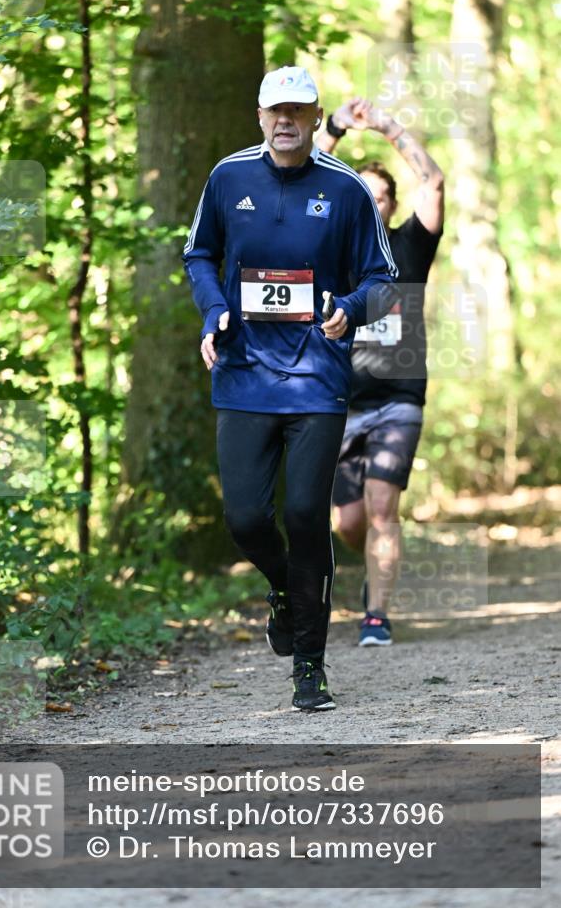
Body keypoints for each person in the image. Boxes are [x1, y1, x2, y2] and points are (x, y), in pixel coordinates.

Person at [182, 69, 398, 711]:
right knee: (247, 518)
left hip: (316, 379)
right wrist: (214, 308)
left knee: (306, 516)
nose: (286, 121)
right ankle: (285, 588)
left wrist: (353, 309)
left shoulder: (347, 189)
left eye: (298, 112)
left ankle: (310, 665)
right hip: (244, 373)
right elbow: (198, 255)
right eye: (276, 111)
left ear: (315, 117)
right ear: (259, 115)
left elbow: (384, 279)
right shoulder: (228, 178)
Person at [316, 97, 445, 647]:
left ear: (391, 205)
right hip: (343, 402)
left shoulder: (410, 247)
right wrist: (335, 127)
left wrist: (388, 127)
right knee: (348, 524)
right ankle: (377, 556)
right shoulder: (334, 251)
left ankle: (376, 616)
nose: (375, 203)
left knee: (382, 508)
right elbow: (304, 178)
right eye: (365, 197)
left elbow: (434, 182)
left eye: (383, 196)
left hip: (398, 400)